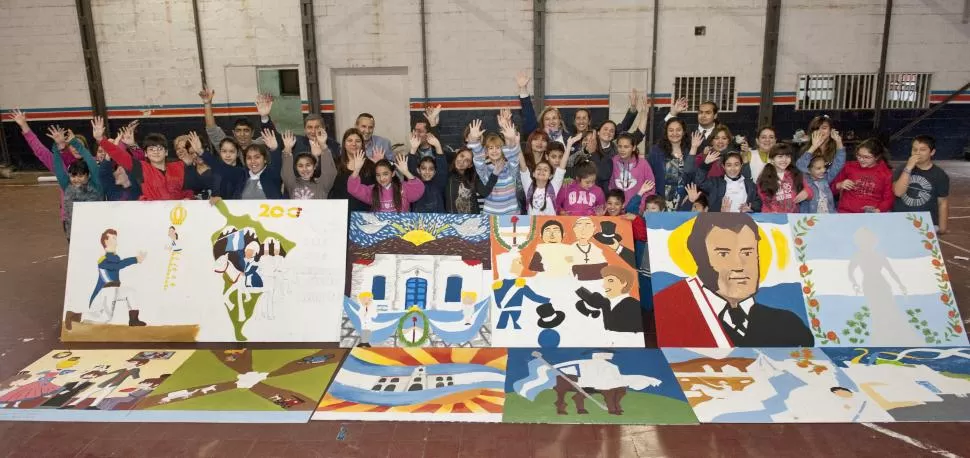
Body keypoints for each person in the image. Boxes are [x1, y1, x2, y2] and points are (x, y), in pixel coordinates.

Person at [653, 212, 815, 347]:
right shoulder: (670, 316)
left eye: (747, 253)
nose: (739, 265)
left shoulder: (788, 325)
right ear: (699, 257)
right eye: (723, 254)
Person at [65, 229, 148, 329]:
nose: (116, 242)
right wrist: (135, 259)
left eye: (116, 238)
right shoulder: (103, 260)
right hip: (106, 290)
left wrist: (136, 259)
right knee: (105, 318)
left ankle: (134, 320)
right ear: (106, 241)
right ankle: (74, 316)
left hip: (114, 289)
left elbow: (118, 263)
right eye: (113, 238)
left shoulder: (115, 257)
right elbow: (118, 265)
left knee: (130, 292)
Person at [97, 127, 194, 201]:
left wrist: (188, 199)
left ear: (166, 152)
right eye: (151, 149)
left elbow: (189, 188)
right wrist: (101, 139)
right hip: (152, 217)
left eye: (160, 148)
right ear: (146, 154)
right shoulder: (141, 168)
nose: (156, 152)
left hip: (177, 217)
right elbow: (119, 155)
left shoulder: (179, 166)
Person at [893, 135, 949, 233]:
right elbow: (898, 192)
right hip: (900, 220)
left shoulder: (940, 175)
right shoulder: (902, 169)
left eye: (922, 149)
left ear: (932, 152)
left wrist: (942, 227)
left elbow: (942, 202)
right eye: (914, 150)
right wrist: (908, 168)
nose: (917, 153)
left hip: (926, 224)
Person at [470, 116, 521, 215]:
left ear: (502, 150)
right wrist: (474, 141)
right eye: (491, 148)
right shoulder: (485, 170)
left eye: (498, 147)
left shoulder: (509, 168)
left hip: (511, 216)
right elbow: (478, 161)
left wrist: (511, 141)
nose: (494, 151)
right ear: (486, 152)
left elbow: (514, 158)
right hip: (490, 216)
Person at [648, 119, 702, 211]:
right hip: (660, 201)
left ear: (684, 131)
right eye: (671, 130)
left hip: (683, 200)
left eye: (678, 130)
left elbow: (695, 176)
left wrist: (689, 196)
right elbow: (650, 175)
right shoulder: (656, 151)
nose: (675, 133)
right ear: (666, 132)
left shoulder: (692, 150)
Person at [347, 150, 424, 212]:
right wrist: (357, 170)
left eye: (385, 174)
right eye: (378, 175)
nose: (382, 178)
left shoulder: (403, 188)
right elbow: (353, 189)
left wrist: (406, 172)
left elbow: (419, 189)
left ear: (393, 173)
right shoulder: (373, 191)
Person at [574, 265, 644, 333]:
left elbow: (612, 328)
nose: (604, 285)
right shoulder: (620, 305)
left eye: (610, 281)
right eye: (605, 281)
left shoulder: (630, 304)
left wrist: (605, 306)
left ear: (624, 283)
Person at [832, 138, 894, 214]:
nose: (861, 159)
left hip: (870, 216)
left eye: (866, 157)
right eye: (859, 155)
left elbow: (888, 199)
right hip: (846, 213)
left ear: (877, 157)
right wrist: (840, 185)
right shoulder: (849, 166)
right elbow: (830, 190)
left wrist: (878, 210)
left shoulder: (885, 172)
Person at [796, 129, 846, 213]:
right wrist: (814, 147)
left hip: (829, 217)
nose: (823, 170)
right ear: (808, 169)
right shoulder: (805, 181)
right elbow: (800, 165)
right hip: (811, 220)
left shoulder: (825, 178)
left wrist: (839, 143)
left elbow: (838, 164)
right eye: (818, 168)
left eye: (824, 167)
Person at [199, 88, 267, 149]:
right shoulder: (227, 148)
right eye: (238, 131)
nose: (242, 134)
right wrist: (207, 104)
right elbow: (212, 130)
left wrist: (264, 116)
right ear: (234, 133)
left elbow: (273, 136)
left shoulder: (260, 145)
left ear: (252, 133)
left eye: (246, 130)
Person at [695, 150, 762, 213]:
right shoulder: (716, 183)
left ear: (741, 166)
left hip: (744, 221)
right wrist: (705, 165)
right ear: (723, 166)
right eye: (729, 165)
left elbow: (758, 202)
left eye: (736, 164)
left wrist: (750, 208)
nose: (733, 168)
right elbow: (700, 182)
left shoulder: (750, 184)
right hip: (718, 222)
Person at [280, 130, 338, 200]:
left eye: (308, 165)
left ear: (314, 167)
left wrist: (323, 146)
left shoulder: (323, 184)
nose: (304, 169)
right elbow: (286, 171)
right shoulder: (292, 183)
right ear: (296, 168)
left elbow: (330, 171)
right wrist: (287, 149)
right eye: (300, 166)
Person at [756, 143, 812, 213]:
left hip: (793, 217)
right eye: (780, 156)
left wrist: (806, 193)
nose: (784, 160)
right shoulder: (764, 177)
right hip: (771, 218)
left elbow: (809, 191)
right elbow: (763, 200)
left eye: (787, 156)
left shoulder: (795, 174)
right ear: (772, 159)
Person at [328, 128, 373, 212]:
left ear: (362, 144)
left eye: (358, 141)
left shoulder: (370, 165)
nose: (354, 144)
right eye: (349, 140)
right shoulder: (335, 163)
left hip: (363, 214)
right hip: (339, 212)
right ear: (344, 144)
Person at [445, 146, 499, 213]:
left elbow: (485, 193)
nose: (462, 161)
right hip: (452, 220)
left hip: (472, 220)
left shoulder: (473, 178)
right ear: (457, 155)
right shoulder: (446, 174)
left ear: (470, 165)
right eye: (461, 156)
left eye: (467, 160)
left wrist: (495, 174)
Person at [611, 132, 656, 211]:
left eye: (626, 147)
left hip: (637, 209)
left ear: (634, 147)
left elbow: (650, 188)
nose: (622, 150)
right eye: (620, 146)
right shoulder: (613, 161)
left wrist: (641, 206)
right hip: (617, 210)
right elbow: (611, 185)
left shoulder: (643, 163)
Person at [409, 135, 449, 213]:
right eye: (423, 168)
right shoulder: (415, 184)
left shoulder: (439, 184)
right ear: (418, 170)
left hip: (438, 222)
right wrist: (413, 149)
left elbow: (442, 167)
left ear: (435, 172)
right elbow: (411, 169)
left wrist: (437, 146)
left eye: (431, 169)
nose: (427, 172)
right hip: (419, 223)